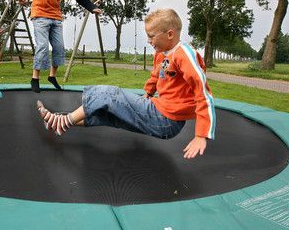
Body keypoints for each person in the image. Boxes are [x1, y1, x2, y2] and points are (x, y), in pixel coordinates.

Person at [36, 9, 216, 159]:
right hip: (159, 114)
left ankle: (64, 121)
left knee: (108, 94)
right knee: (109, 115)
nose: (148, 40)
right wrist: (147, 94)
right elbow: (156, 77)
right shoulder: (162, 53)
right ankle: (58, 121)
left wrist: (201, 135)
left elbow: (204, 96)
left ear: (169, 34)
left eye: (151, 36)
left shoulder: (184, 54)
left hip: (166, 120)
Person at [14, 0, 102, 93]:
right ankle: (35, 78)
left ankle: (52, 76)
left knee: (59, 48)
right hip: (40, 13)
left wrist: (92, 8)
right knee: (42, 46)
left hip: (56, 17)